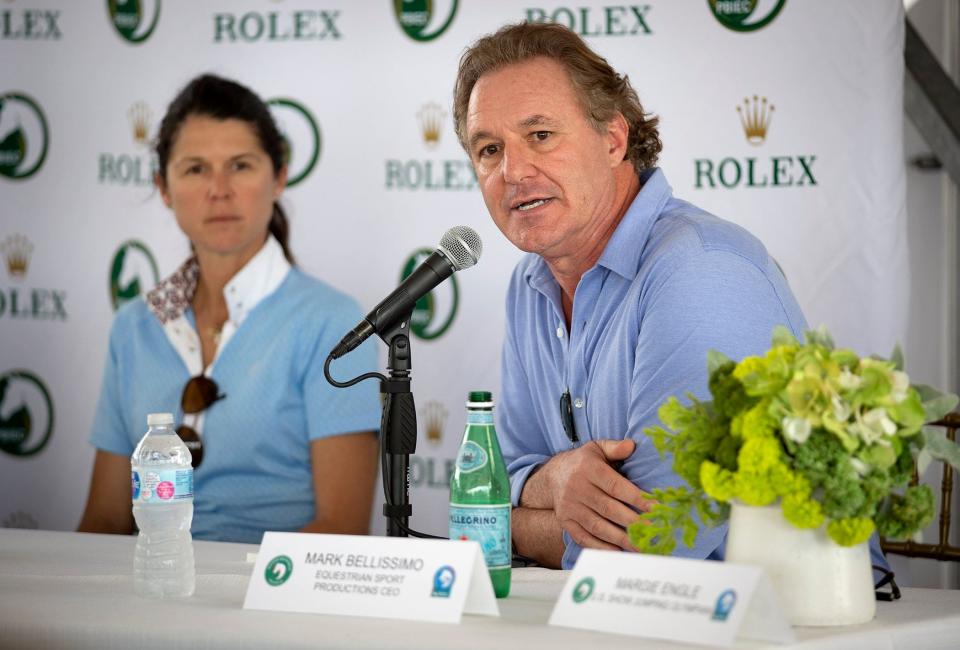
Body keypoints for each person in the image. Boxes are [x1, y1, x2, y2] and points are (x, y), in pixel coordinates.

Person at [453, 22, 888, 572]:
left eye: (540, 136)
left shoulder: (698, 269)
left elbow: (652, 540)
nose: (513, 171)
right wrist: (557, 480)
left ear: (614, 139)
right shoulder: (529, 283)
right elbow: (503, 478)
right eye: (489, 149)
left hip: (782, 622)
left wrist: (513, 523)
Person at [78, 74, 380, 543]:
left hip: (267, 603)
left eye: (240, 166)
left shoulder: (332, 321)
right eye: (195, 169)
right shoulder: (134, 326)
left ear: (278, 176)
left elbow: (341, 529)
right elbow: (103, 522)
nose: (219, 189)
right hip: (148, 594)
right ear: (164, 187)